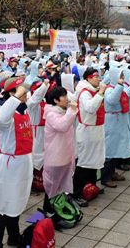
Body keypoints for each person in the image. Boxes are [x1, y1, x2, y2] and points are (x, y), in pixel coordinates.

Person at [0, 77, 33, 248]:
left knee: (16, 202)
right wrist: (15, 98)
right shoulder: (4, 111)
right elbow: (0, 119)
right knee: (3, 205)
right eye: (22, 92)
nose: (26, 94)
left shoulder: (24, 110)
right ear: (12, 94)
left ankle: (14, 237)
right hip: (10, 164)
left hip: (23, 162)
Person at [72, 67, 107, 206]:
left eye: (99, 76)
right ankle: (77, 193)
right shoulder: (85, 93)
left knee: (94, 161)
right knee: (84, 163)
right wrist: (101, 92)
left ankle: (91, 187)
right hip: (87, 132)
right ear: (88, 78)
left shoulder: (94, 91)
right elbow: (90, 108)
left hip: (96, 130)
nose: (99, 78)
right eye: (96, 76)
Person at [42, 86, 77, 212]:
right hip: (55, 157)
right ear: (56, 100)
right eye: (63, 96)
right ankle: (47, 212)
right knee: (51, 186)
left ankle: (57, 211)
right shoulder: (51, 113)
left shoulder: (63, 110)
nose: (66, 99)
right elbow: (62, 126)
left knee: (60, 186)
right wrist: (71, 111)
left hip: (65, 155)